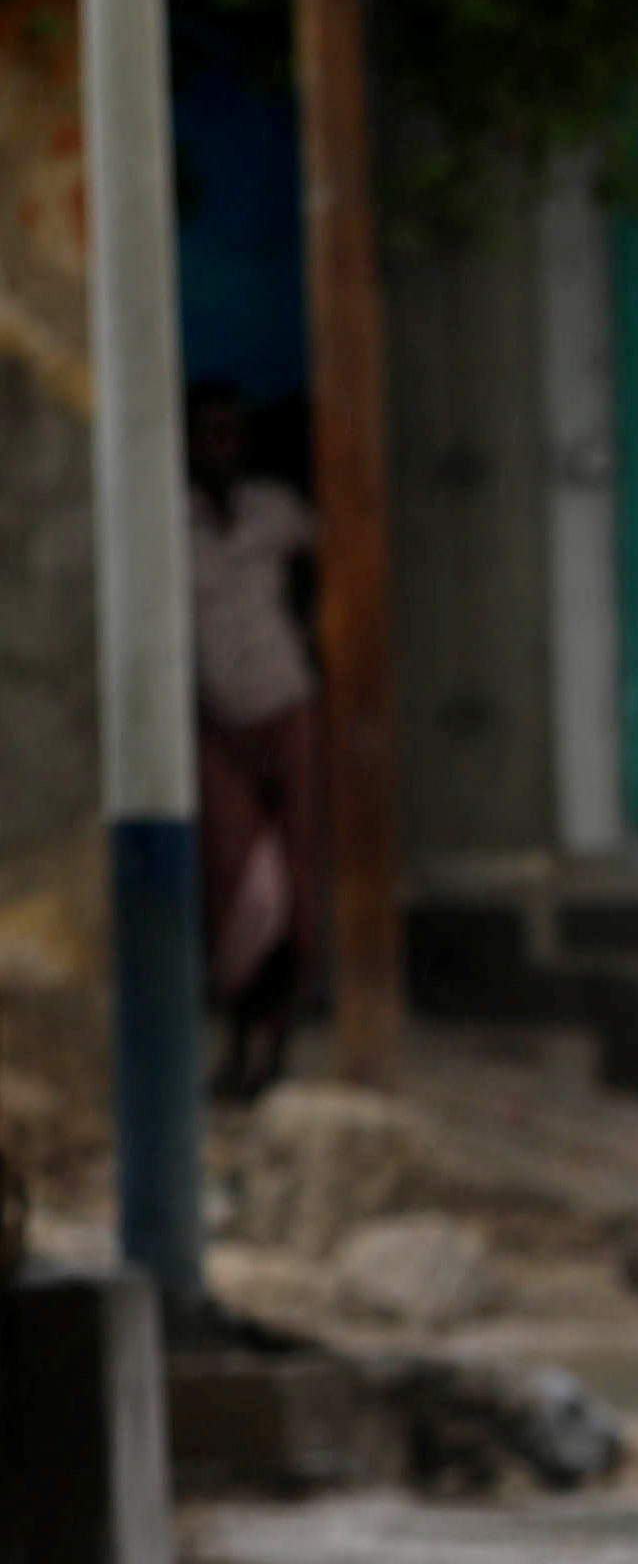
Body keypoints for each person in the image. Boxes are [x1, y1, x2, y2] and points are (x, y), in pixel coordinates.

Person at [183, 384, 317, 1093]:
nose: (221, 447)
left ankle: (275, 1049)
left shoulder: (275, 512)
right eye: (208, 433)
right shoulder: (173, 523)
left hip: (287, 706)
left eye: (231, 433)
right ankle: (239, 1038)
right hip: (220, 723)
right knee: (239, 889)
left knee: (295, 884)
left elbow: (343, 551)